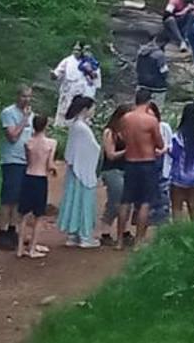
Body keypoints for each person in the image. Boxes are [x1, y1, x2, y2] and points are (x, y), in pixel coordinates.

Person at [114, 89, 166, 249]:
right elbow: (160, 144)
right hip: (146, 162)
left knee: (125, 201)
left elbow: (122, 137)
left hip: (130, 162)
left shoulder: (125, 118)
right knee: (145, 202)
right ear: (149, 102)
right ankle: (138, 241)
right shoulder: (151, 120)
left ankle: (119, 241)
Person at [56, 95, 101, 248]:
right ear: (85, 109)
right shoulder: (82, 128)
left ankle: (73, 234)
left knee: (73, 200)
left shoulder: (76, 126)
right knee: (83, 201)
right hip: (83, 170)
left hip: (75, 169)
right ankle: (85, 236)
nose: (93, 111)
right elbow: (94, 148)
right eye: (92, 108)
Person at [0, 85, 33, 251]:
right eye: (24, 96)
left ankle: (12, 229)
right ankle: (1, 231)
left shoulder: (31, 114)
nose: (27, 100)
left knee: (18, 198)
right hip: (12, 160)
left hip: (25, 160)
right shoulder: (8, 113)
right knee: (8, 198)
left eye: (29, 97)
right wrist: (24, 120)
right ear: (17, 96)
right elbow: (12, 137)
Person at [17, 113, 56, 259]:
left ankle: (20, 248)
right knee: (39, 216)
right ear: (46, 125)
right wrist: (54, 170)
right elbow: (49, 164)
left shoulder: (28, 142)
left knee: (23, 215)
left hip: (28, 177)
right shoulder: (51, 143)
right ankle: (32, 248)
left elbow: (28, 161)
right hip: (40, 178)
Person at [167, 102, 194, 222]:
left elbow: (174, 156)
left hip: (179, 177)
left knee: (177, 208)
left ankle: (178, 231)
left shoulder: (177, 136)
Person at [99, 102, 130, 246]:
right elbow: (110, 155)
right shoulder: (110, 132)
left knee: (127, 202)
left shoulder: (128, 132)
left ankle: (124, 231)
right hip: (112, 170)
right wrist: (127, 150)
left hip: (126, 169)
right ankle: (105, 230)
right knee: (115, 201)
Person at [50, 42, 100, 129]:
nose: (76, 52)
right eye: (74, 49)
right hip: (68, 91)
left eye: (78, 50)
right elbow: (57, 73)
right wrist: (53, 75)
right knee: (63, 112)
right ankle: (60, 128)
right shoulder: (67, 61)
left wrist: (90, 71)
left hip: (82, 94)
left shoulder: (90, 62)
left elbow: (95, 78)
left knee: (80, 114)